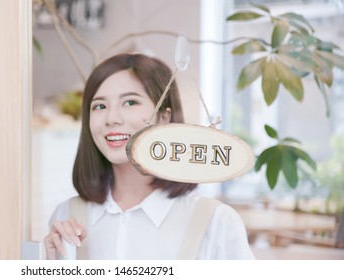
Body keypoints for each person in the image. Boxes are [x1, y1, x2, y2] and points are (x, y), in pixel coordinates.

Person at [43, 53, 254, 260]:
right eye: (99, 106)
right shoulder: (67, 215)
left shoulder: (215, 222)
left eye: (130, 102)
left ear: (164, 117)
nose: (111, 118)